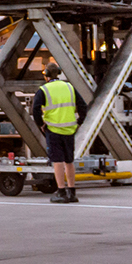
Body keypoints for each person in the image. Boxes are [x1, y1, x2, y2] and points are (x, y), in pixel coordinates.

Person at [33, 63, 80, 202]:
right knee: (69, 161)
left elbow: (35, 109)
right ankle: (72, 192)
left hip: (53, 129)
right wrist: (80, 121)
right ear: (58, 73)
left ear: (46, 75)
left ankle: (61, 191)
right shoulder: (69, 87)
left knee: (57, 161)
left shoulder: (44, 90)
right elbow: (82, 105)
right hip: (69, 129)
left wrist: (41, 124)